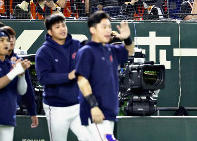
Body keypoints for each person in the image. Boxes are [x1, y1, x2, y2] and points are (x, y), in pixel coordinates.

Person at [76, 12, 134, 140]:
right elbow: (82, 81)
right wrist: (94, 106)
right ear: (93, 30)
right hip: (95, 113)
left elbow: (130, 50)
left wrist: (127, 38)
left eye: (109, 27)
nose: (108, 30)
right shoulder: (87, 51)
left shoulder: (111, 50)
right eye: (104, 27)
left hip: (108, 112)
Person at [35, 13, 90, 141]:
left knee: (89, 137)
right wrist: (68, 76)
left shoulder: (77, 45)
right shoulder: (43, 52)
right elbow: (44, 78)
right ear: (50, 31)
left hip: (77, 105)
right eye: (57, 27)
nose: (62, 29)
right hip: (55, 107)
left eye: (64, 25)